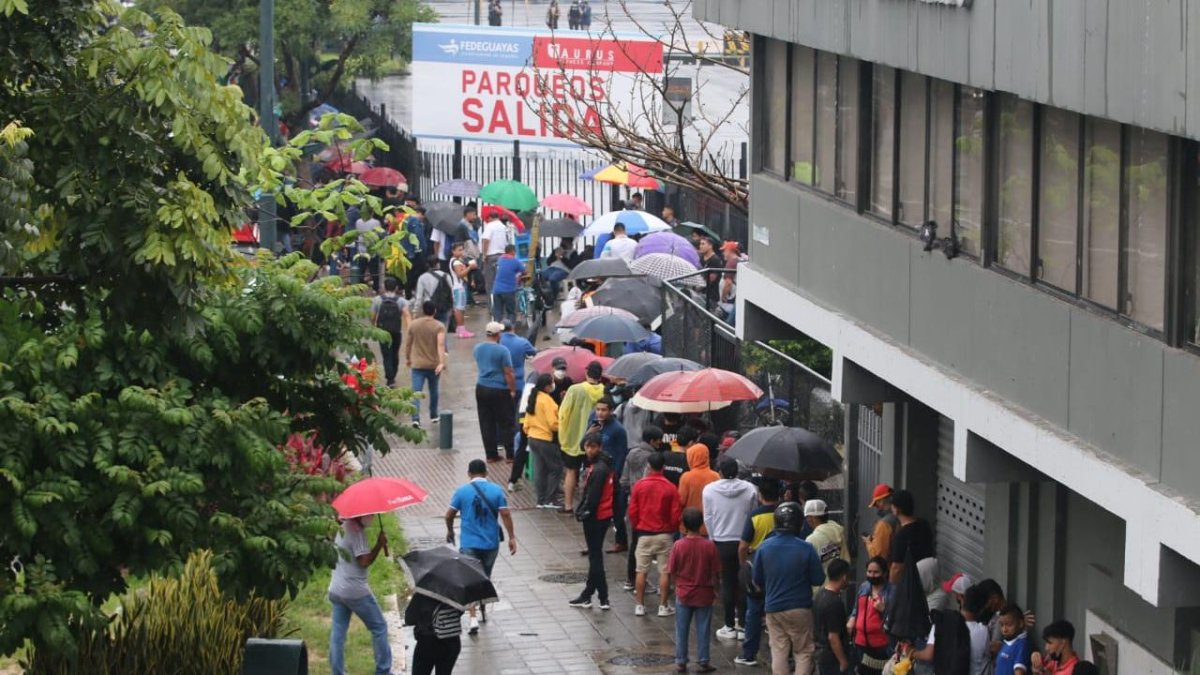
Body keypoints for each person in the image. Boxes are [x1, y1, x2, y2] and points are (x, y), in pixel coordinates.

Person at [751, 501, 826, 675]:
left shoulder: (764, 547)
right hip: (801, 608)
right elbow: (818, 579)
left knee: (779, 651)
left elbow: (757, 579)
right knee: (803, 651)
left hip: (773, 608)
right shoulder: (806, 548)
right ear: (799, 523)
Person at [446, 459, 517, 635]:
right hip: (490, 543)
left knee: (470, 579)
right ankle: (483, 604)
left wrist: (450, 530)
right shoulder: (497, 490)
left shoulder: (461, 491)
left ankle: (472, 618)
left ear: (469, 474)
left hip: (469, 543)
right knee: (485, 576)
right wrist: (511, 537)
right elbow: (505, 514)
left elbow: (449, 515)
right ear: (486, 473)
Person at [702, 456, 758, 641]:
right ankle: (743, 625)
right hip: (743, 540)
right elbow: (752, 513)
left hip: (721, 541)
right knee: (743, 582)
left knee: (727, 582)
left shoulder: (709, 490)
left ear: (720, 472)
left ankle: (728, 625)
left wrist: (713, 537)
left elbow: (708, 517)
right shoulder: (750, 489)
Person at [328, 515, 392, 675]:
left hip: (336, 589)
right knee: (379, 627)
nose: (371, 517)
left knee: (338, 634)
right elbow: (364, 561)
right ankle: (383, 671)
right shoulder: (356, 531)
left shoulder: (342, 527)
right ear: (360, 515)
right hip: (355, 591)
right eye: (369, 515)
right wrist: (379, 544)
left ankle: (337, 672)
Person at [627, 451, 683, 617]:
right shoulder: (670, 487)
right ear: (663, 467)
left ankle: (639, 605)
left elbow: (633, 510)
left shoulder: (639, 486)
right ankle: (663, 606)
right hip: (664, 534)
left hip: (644, 534)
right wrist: (671, 527)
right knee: (664, 572)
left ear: (648, 466)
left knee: (641, 571)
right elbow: (675, 514)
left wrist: (637, 525)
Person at [668, 507, 720, 673]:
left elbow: (672, 570)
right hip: (704, 593)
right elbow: (715, 572)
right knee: (703, 628)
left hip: (684, 593)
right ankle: (704, 660)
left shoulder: (678, 545)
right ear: (701, 524)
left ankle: (681, 660)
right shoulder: (709, 546)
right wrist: (716, 590)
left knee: (681, 628)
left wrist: (675, 586)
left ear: (683, 525)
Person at [569, 432, 614, 610]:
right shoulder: (605, 464)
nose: (588, 450)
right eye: (587, 447)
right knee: (595, 556)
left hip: (596, 517)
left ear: (599, 447)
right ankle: (589, 594)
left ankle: (602, 597)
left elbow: (592, 497)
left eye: (592, 447)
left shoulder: (598, 469)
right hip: (603, 515)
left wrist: (582, 512)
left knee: (595, 558)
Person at [557, 361, 606, 511]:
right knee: (592, 472)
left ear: (586, 372)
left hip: (573, 439)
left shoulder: (575, 389)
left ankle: (568, 505)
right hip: (595, 440)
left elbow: (563, 413)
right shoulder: (604, 391)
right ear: (600, 375)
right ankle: (589, 505)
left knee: (571, 471)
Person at [915, 583, 990, 675]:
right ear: (981, 610)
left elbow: (928, 655)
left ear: (962, 600)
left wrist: (911, 652)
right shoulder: (984, 631)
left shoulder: (942, 621)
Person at [586, 397, 629, 552]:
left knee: (616, 510)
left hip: (611, 476)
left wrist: (615, 476)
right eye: (598, 409)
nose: (600, 413)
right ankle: (593, 543)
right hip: (595, 472)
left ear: (611, 410)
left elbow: (621, 455)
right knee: (593, 508)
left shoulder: (618, 430)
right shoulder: (594, 424)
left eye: (604, 410)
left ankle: (621, 541)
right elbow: (583, 445)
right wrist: (589, 433)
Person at [500, 320, 537, 489]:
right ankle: (512, 445)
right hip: (519, 384)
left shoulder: (498, 342)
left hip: (500, 384)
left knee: (502, 416)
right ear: (513, 328)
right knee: (515, 418)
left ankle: (501, 443)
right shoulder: (522, 342)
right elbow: (533, 352)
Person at [473, 322, 517, 462]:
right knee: (506, 422)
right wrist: (512, 390)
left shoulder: (478, 348)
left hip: (481, 387)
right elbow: (508, 373)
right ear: (498, 334)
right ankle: (510, 454)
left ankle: (491, 455)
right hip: (499, 389)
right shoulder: (503, 351)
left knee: (486, 422)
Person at [845, 556, 894, 675]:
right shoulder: (864, 587)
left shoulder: (892, 592)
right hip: (860, 642)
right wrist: (852, 619)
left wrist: (883, 609)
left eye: (876, 572)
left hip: (882, 644)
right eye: (869, 572)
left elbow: (897, 618)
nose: (872, 575)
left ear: (884, 573)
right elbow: (856, 608)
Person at [523, 373, 563, 508]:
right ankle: (550, 499)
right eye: (552, 383)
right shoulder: (547, 401)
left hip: (532, 437)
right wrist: (563, 426)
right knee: (556, 468)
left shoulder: (533, 398)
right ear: (547, 386)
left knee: (540, 470)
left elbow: (526, 422)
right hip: (545, 439)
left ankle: (541, 500)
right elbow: (553, 424)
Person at [406, 301, 447, 427]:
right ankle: (433, 415)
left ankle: (415, 418)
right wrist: (441, 362)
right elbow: (441, 345)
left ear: (423, 311)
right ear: (434, 311)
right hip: (433, 364)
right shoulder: (439, 326)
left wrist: (408, 358)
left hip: (417, 364)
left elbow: (408, 344)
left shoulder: (413, 325)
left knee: (416, 392)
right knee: (433, 390)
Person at [405, 593, 464, 675]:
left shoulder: (423, 594)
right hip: (452, 640)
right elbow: (460, 611)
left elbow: (409, 619)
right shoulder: (456, 592)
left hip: (427, 641)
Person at [813, 558, 852, 675]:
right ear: (844, 577)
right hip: (832, 657)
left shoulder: (820, 595)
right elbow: (833, 637)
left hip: (821, 653)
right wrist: (843, 661)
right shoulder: (835, 603)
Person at [371, 277, 411, 387]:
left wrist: (373, 326)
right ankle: (393, 374)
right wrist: (410, 329)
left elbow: (373, 316)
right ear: (396, 288)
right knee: (394, 353)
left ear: (384, 287)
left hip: (382, 331)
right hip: (396, 331)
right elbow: (407, 315)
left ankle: (390, 378)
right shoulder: (401, 301)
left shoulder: (377, 300)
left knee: (386, 354)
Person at [889, 488, 935, 583]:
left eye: (892, 506)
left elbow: (896, 568)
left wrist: (891, 585)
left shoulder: (901, 536)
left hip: (912, 582)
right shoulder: (924, 524)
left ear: (897, 509)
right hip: (929, 576)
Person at [677, 427, 719, 524]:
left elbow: (681, 501)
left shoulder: (686, 477)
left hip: (689, 522)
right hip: (709, 523)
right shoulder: (716, 476)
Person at [804, 499, 850, 581]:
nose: (807, 520)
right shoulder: (838, 531)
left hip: (820, 586)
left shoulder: (811, 540)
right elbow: (845, 558)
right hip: (839, 583)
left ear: (813, 517)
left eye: (807, 517)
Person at [414, 256, 456, 327]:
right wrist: (454, 307)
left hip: (428, 308)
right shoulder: (446, 276)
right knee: (442, 329)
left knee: (430, 330)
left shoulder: (422, 277)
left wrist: (416, 312)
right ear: (438, 264)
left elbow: (419, 297)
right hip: (443, 306)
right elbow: (452, 293)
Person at [862, 484, 897, 564]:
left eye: (876, 504)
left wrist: (868, 542)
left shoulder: (883, 524)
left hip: (888, 569)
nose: (876, 507)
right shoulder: (899, 517)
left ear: (882, 501)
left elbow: (877, 558)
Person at [993, 604, 1032, 675]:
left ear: (1020, 623)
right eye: (1002, 625)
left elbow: (1019, 672)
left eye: (1009, 625)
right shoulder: (1006, 643)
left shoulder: (1022, 645)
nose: (1004, 630)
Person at [491, 244, 524, 324]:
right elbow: (523, 271)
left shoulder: (500, 259)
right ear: (512, 251)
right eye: (515, 251)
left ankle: (496, 328)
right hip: (508, 290)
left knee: (498, 311)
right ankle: (510, 328)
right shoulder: (515, 261)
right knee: (511, 312)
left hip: (497, 290)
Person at [448, 242, 475, 338]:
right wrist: (469, 267)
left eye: (462, 249)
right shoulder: (456, 262)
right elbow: (460, 274)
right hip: (458, 287)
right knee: (459, 309)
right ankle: (461, 329)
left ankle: (460, 329)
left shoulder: (457, 261)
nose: (461, 252)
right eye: (459, 250)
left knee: (461, 308)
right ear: (453, 251)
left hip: (460, 286)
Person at [355, 207, 384, 291]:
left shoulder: (358, 222)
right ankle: (375, 288)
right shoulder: (376, 222)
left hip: (361, 248)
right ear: (372, 213)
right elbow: (379, 234)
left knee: (361, 269)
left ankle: (360, 287)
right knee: (374, 270)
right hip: (372, 249)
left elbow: (357, 233)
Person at [481, 212, 508, 297]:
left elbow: (486, 240)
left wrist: (484, 254)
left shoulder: (490, 226)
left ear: (490, 217)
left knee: (490, 282)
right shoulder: (503, 227)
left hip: (491, 256)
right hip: (502, 256)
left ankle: (492, 303)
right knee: (501, 281)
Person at [698, 236, 724, 311]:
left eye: (703, 244)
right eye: (700, 244)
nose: (700, 246)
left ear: (710, 246)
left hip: (710, 295)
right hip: (700, 292)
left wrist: (698, 287)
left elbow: (711, 279)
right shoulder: (701, 257)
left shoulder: (715, 260)